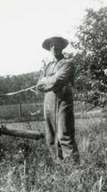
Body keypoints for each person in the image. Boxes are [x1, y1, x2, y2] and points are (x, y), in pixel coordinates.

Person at [36, 36, 79, 164]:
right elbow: (39, 85)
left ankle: (73, 167)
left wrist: (47, 82)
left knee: (64, 135)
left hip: (63, 101)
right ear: (49, 48)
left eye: (57, 45)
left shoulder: (67, 63)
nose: (54, 48)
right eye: (51, 45)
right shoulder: (47, 66)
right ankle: (59, 165)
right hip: (48, 102)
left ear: (62, 47)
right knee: (51, 136)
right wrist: (46, 82)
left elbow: (58, 81)